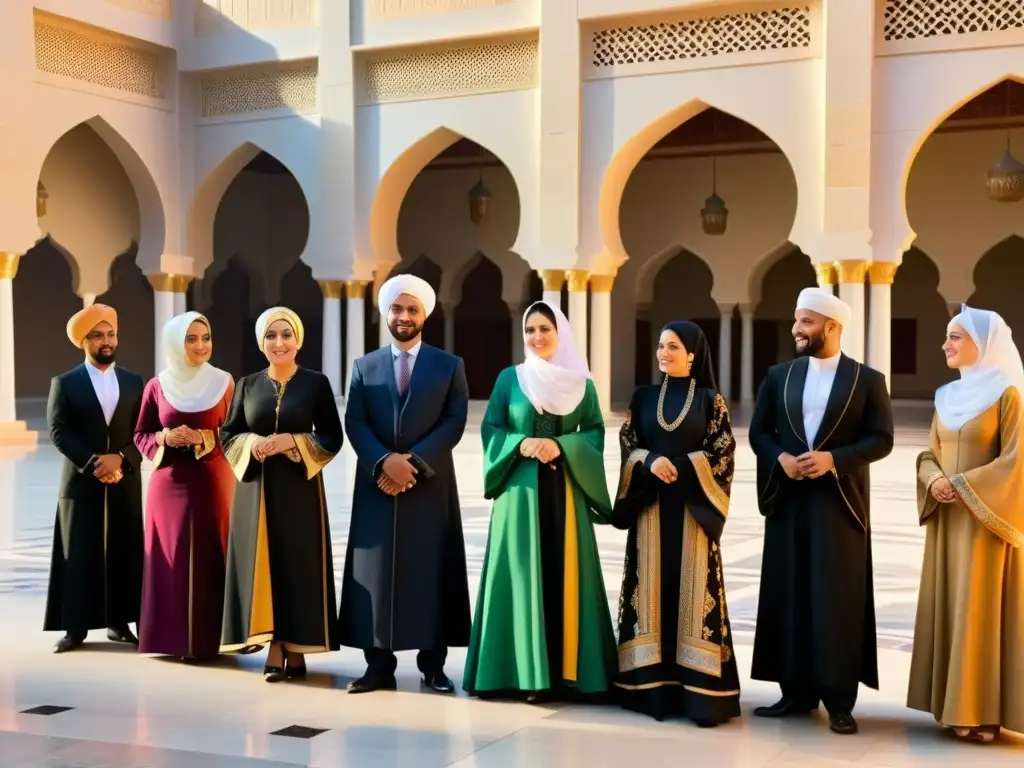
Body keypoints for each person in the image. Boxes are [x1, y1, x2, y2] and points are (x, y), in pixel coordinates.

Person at [748, 287, 894, 735]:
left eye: (805, 322)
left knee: (836, 598)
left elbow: (881, 439)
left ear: (831, 327)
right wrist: (781, 459)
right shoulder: (779, 376)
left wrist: (835, 459)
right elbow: (759, 433)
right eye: (796, 321)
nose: (796, 329)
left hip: (839, 503)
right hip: (789, 499)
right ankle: (794, 693)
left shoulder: (866, 380)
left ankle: (839, 699)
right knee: (790, 591)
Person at [463, 300, 616, 701]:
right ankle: (523, 675)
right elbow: (492, 428)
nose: (537, 337)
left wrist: (561, 446)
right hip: (519, 497)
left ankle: (571, 674)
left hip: (566, 492)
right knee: (520, 574)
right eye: (530, 330)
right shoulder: (509, 380)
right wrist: (522, 443)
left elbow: (596, 432)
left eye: (545, 329)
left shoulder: (582, 384)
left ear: (560, 333)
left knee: (565, 574)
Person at [340, 274, 471, 695]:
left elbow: (454, 422)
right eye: (397, 308)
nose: (404, 316)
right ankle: (378, 666)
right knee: (376, 574)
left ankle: (433, 666)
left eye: (412, 309)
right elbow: (354, 421)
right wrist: (384, 462)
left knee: (430, 570)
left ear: (425, 314)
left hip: (428, 486)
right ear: (386, 312)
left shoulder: (449, 366)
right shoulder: (365, 366)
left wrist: (411, 464)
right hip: (377, 484)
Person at [612, 321, 740, 726]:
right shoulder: (643, 397)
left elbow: (722, 454)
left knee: (691, 593)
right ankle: (647, 690)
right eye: (660, 346)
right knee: (650, 591)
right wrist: (650, 461)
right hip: (650, 509)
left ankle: (701, 697)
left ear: (693, 354)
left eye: (673, 346)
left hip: (692, 512)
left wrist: (683, 467)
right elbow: (629, 444)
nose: (663, 353)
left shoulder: (710, 401)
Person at [908, 306, 1024, 743]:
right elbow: (928, 453)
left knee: (979, 609)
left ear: (985, 344)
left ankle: (984, 711)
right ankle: (953, 705)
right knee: (953, 604)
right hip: (947, 520)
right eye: (946, 335)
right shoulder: (945, 397)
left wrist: (961, 485)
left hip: (985, 522)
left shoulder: (1008, 395)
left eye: (955, 336)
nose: (946, 344)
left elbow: (1016, 461)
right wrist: (934, 479)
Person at [219, 307, 343, 681]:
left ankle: (297, 644)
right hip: (256, 489)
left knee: (296, 564)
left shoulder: (315, 384)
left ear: (298, 340)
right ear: (261, 342)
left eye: (286, 335)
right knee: (265, 564)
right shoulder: (246, 385)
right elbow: (228, 434)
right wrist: (252, 443)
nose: (279, 342)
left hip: (299, 489)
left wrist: (295, 441)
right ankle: (273, 643)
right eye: (271, 336)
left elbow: (332, 437)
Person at [44, 304, 145, 653]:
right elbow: (59, 431)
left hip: (125, 479)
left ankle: (120, 623)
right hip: (80, 481)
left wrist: (121, 459)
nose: (106, 341)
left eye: (110, 333)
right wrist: (92, 462)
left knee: (124, 550)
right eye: (98, 335)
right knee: (79, 553)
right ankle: (75, 628)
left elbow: (144, 430)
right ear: (84, 341)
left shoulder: (135, 382)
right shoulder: (66, 383)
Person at [134, 312, 234, 661]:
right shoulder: (157, 386)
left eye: (205, 337)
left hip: (212, 481)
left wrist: (206, 438)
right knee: (171, 557)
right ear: (177, 343)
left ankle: (211, 640)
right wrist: (166, 436)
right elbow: (141, 433)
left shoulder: (224, 383)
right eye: (191, 339)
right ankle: (171, 639)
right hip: (168, 483)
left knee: (210, 553)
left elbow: (237, 433)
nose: (200, 346)